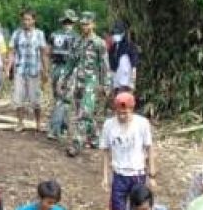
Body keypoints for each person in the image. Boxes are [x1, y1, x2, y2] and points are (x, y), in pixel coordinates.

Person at [100, 92, 155, 210]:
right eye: (119, 113)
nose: (122, 116)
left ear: (132, 109)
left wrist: (152, 175)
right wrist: (105, 177)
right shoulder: (109, 125)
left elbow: (149, 148)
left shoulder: (142, 124)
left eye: (126, 113)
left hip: (137, 173)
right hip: (119, 174)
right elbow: (106, 152)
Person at [61, 11, 110, 157]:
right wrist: (63, 78)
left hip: (92, 82)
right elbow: (71, 62)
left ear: (93, 24)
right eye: (82, 24)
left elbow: (104, 65)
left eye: (87, 24)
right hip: (79, 82)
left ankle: (77, 144)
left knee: (84, 113)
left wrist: (106, 85)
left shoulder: (99, 43)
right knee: (81, 112)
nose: (84, 27)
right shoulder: (77, 42)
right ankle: (95, 138)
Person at [8, 9, 49, 133]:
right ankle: (20, 123)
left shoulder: (39, 34)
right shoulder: (16, 34)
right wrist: (8, 68)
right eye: (24, 19)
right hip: (20, 70)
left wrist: (45, 71)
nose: (26, 22)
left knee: (36, 99)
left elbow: (43, 53)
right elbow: (11, 52)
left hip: (34, 70)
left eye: (29, 19)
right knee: (18, 98)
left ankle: (38, 124)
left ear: (33, 20)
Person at [48, 9, 79, 141]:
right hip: (67, 70)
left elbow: (49, 52)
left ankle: (63, 127)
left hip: (56, 68)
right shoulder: (76, 37)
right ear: (72, 22)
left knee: (58, 99)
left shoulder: (54, 35)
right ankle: (55, 129)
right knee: (64, 100)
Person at [108, 20, 139, 97]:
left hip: (126, 82)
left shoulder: (130, 47)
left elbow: (134, 66)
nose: (115, 35)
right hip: (115, 82)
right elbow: (111, 66)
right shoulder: (113, 48)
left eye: (118, 33)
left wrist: (132, 81)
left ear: (123, 33)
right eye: (114, 33)